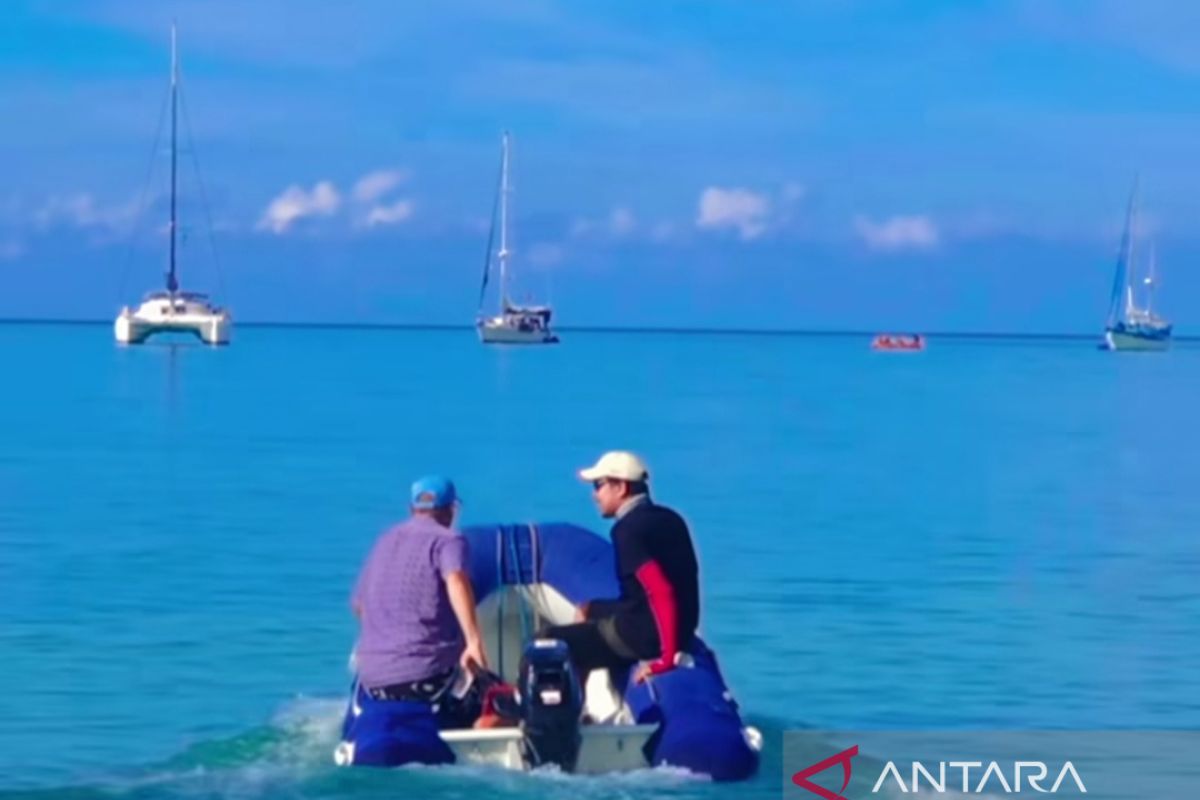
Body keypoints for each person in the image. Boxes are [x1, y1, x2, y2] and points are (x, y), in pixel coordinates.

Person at [541, 451, 700, 682]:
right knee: (587, 609)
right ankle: (581, 695)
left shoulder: (627, 531)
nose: (595, 495)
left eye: (598, 485)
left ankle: (563, 708)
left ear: (620, 488)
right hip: (677, 628)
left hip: (644, 635)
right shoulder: (672, 518)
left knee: (547, 640)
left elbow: (660, 590)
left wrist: (665, 660)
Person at [350, 475, 489, 713]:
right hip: (424, 679)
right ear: (452, 510)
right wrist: (473, 643)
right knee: (487, 693)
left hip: (373, 678)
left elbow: (359, 607)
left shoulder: (385, 540)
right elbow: (456, 579)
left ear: (411, 509)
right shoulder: (448, 540)